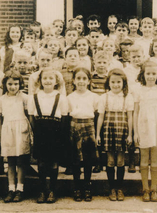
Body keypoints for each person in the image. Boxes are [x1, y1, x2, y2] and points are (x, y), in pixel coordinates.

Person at [134, 59, 157, 202]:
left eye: (153, 74)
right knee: (144, 160)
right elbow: (136, 112)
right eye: (148, 73)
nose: (151, 76)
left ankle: (154, 189)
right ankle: (145, 189)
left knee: (155, 160)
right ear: (143, 75)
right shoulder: (138, 91)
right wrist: (135, 132)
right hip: (143, 127)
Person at [28, 69, 68, 203]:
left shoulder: (60, 97)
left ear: (56, 81)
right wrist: (36, 132)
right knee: (42, 162)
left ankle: (52, 190)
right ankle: (42, 190)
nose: (48, 81)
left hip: (55, 131)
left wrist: (61, 135)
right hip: (40, 131)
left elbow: (63, 116)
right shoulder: (35, 97)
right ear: (40, 81)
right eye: (45, 78)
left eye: (51, 78)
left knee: (53, 162)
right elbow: (32, 116)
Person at [96, 69, 133, 201]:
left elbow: (130, 117)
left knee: (120, 161)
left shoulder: (127, 97)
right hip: (108, 130)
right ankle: (112, 188)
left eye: (119, 82)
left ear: (124, 83)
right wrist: (98, 135)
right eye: (113, 82)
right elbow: (100, 117)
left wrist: (130, 135)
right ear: (108, 83)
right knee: (110, 161)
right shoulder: (104, 97)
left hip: (122, 130)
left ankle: (119, 188)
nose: (116, 84)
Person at [0, 70, 33, 203]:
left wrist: (30, 133)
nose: (13, 87)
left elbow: (29, 116)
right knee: (11, 161)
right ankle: (11, 189)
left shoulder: (24, 98)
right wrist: (0, 135)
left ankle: (20, 189)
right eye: (10, 84)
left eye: (16, 84)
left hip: (21, 130)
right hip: (8, 132)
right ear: (5, 84)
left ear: (20, 84)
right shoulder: (1, 100)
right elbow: (0, 119)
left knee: (21, 161)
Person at [67, 67, 99, 202]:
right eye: (78, 78)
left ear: (89, 81)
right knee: (75, 160)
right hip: (74, 128)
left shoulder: (94, 97)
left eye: (84, 78)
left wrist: (96, 134)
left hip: (89, 128)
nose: (81, 81)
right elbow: (68, 116)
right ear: (73, 81)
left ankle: (87, 186)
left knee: (87, 160)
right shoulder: (69, 98)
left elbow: (97, 116)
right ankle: (77, 187)